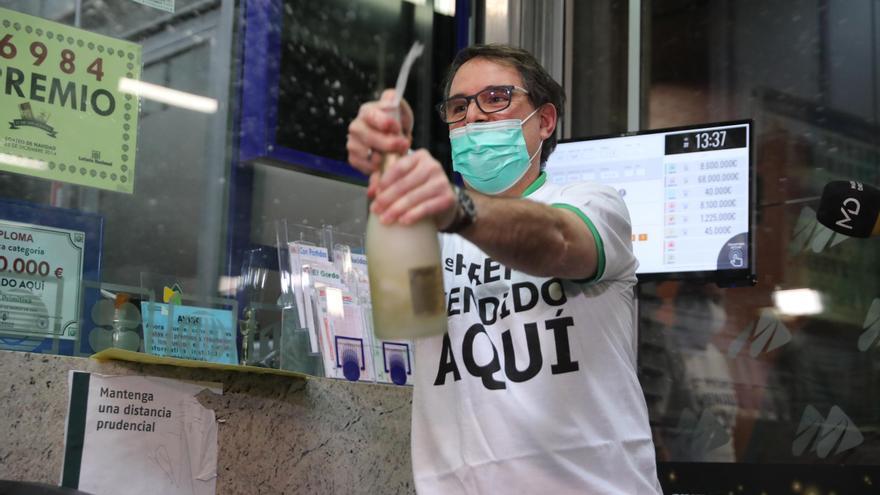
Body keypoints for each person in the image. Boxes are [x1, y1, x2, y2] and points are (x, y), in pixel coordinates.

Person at [346, 44, 661, 494]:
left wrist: (456, 209)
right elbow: (401, 315)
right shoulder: (430, 235)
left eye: (496, 98)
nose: (473, 117)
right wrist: (389, 160)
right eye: (459, 107)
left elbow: (557, 241)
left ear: (544, 121)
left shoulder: (594, 203)